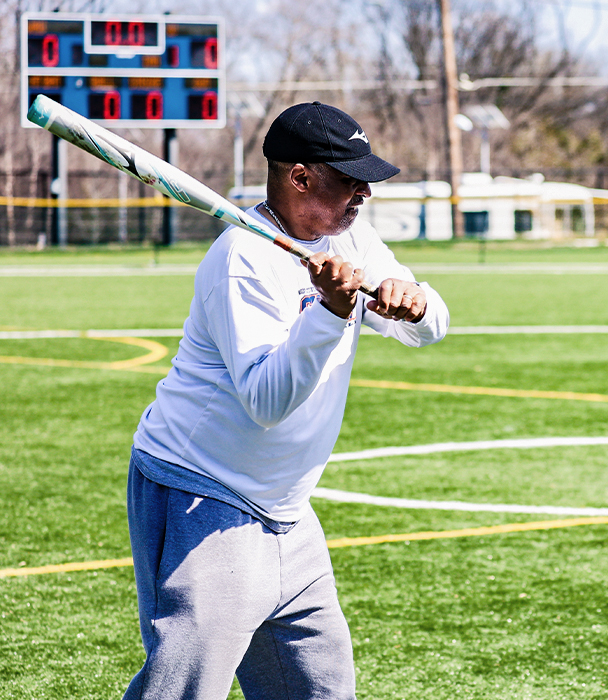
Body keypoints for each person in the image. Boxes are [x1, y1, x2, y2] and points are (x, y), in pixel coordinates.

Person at [123, 102, 449, 699]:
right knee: (182, 689)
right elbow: (267, 402)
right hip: (206, 494)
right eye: (350, 179)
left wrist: (416, 301)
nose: (364, 194)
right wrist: (328, 311)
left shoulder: (351, 237)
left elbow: (432, 326)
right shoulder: (240, 259)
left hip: (289, 512)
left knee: (322, 689)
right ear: (300, 177)